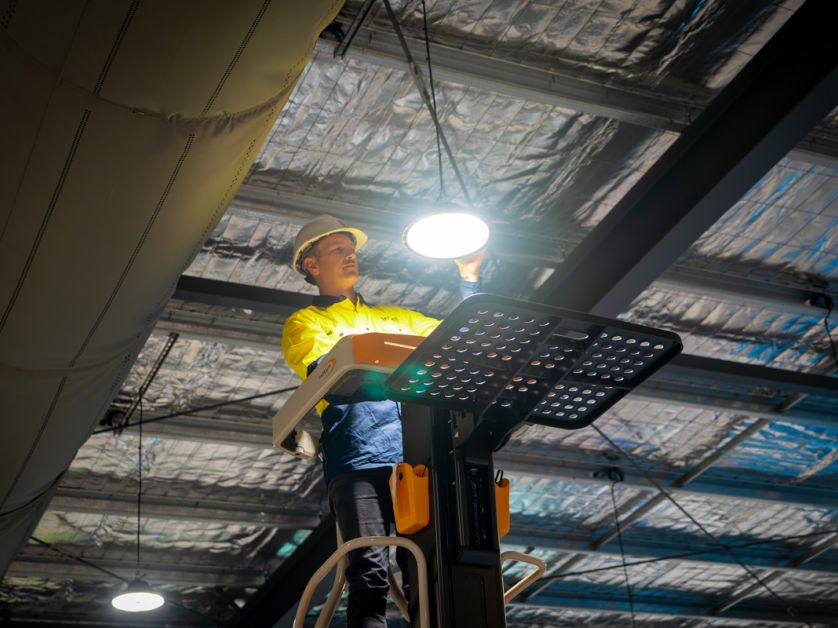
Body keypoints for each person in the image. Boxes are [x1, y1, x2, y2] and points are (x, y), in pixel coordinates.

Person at [281, 214, 483, 628]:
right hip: (359, 461)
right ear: (312, 265)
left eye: (351, 249)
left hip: (415, 462)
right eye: (338, 249)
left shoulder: (395, 318)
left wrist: (469, 276)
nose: (350, 255)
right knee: (369, 574)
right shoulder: (306, 324)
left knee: (428, 577)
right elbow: (329, 373)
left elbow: (464, 337)